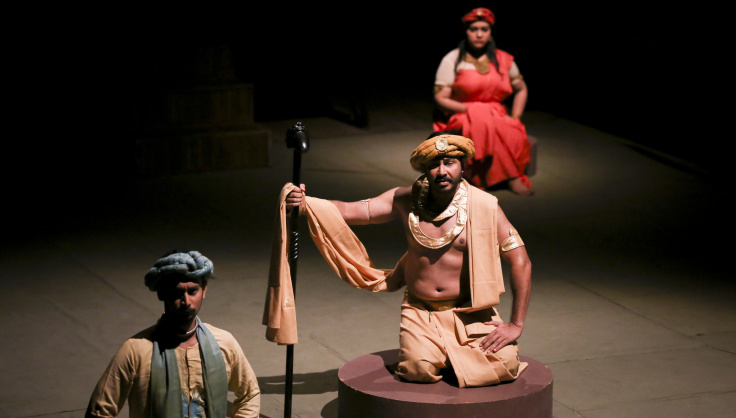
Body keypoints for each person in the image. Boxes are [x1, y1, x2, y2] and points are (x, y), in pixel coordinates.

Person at [274, 133, 531, 388]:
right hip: (420, 310)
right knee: (417, 370)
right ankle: (441, 353)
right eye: (434, 164)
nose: (442, 171)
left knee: (505, 364)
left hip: (469, 312)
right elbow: (356, 210)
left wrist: (516, 324)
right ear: (425, 169)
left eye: (449, 163)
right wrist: (307, 203)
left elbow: (521, 261)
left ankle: (451, 354)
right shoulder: (405, 199)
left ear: (463, 166)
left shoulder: (485, 206)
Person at [86, 250, 260, 417]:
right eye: (177, 293)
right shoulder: (136, 350)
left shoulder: (223, 342)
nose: (186, 301)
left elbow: (250, 394)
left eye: (193, 291)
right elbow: (99, 410)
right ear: (162, 294)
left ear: (204, 290)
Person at [433, 7, 533, 195]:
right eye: (473, 29)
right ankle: (500, 177)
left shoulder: (503, 59)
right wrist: (472, 110)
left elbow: (521, 88)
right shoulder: (453, 59)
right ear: (466, 32)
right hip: (461, 113)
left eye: (484, 29)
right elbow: (440, 98)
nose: (479, 34)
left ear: (490, 32)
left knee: (509, 128)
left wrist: (516, 116)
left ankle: (507, 175)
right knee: (481, 124)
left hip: (495, 112)